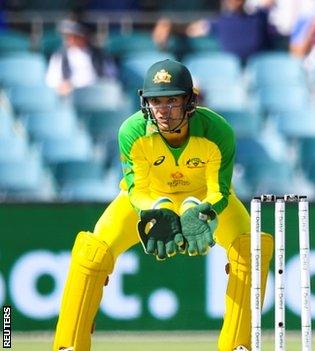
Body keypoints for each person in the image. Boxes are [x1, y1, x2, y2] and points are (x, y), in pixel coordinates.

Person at [52, 59, 274, 351]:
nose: (164, 110)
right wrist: (161, 207)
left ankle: (238, 345)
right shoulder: (131, 132)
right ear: (146, 103)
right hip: (148, 201)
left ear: (189, 102)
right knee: (92, 252)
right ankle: (68, 346)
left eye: (172, 101)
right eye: (156, 102)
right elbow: (136, 190)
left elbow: (219, 191)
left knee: (252, 250)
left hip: (204, 200)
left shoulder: (217, 131)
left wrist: (198, 210)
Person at [153, 0, 276, 63]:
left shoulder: (259, 17)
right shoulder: (218, 21)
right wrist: (170, 26)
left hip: (257, 67)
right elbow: (191, 30)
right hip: (229, 70)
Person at [45, 19, 117, 96]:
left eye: (75, 36)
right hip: (70, 95)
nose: (71, 39)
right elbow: (51, 80)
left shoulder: (101, 55)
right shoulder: (59, 56)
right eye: (69, 36)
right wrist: (61, 85)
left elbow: (111, 77)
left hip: (94, 93)